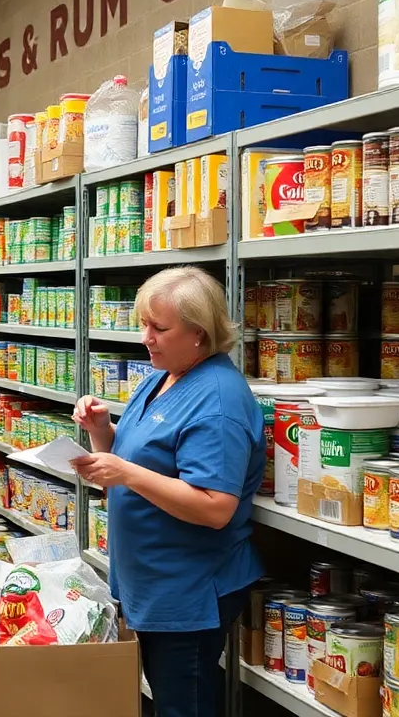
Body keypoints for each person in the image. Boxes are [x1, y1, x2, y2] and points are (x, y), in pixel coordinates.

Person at [71, 266, 265, 717]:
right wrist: (103, 431)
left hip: (189, 591)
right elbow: (148, 455)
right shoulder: (164, 375)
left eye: (159, 328)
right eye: (143, 324)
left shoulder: (217, 402)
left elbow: (215, 507)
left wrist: (126, 474)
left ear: (199, 333)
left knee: (184, 704)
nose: (146, 338)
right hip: (153, 582)